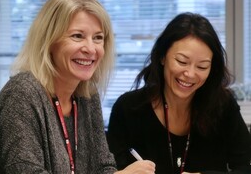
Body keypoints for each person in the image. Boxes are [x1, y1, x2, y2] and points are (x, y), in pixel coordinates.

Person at [0, 0, 155, 173]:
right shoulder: (22, 94)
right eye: (77, 36)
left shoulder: (87, 95)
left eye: (98, 38)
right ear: (49, 41)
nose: (91, 49)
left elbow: (104, 167)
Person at [107, 12, 251, 174]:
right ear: (162, 56)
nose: (190, 74)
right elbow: (110, 169)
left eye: (202, 67)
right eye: (182, 61)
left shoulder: (223, 106)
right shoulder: (128, 109)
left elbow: (245, 167)